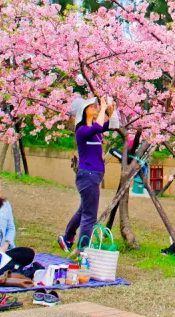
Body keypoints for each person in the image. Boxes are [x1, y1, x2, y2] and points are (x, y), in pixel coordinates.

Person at [57, 97, 113, 252]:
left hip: (94, 176)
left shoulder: (96, 131)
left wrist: (111, 110)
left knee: (84, 210)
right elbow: (97, 127)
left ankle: (67, 237)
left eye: (96, 106)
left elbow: (112, 125)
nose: (95, 107)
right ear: (84, 111)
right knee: (90, 216)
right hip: (87, 175)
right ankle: (83, 250)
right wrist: (102, 109)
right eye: (91, 106)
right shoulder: (82, 131)